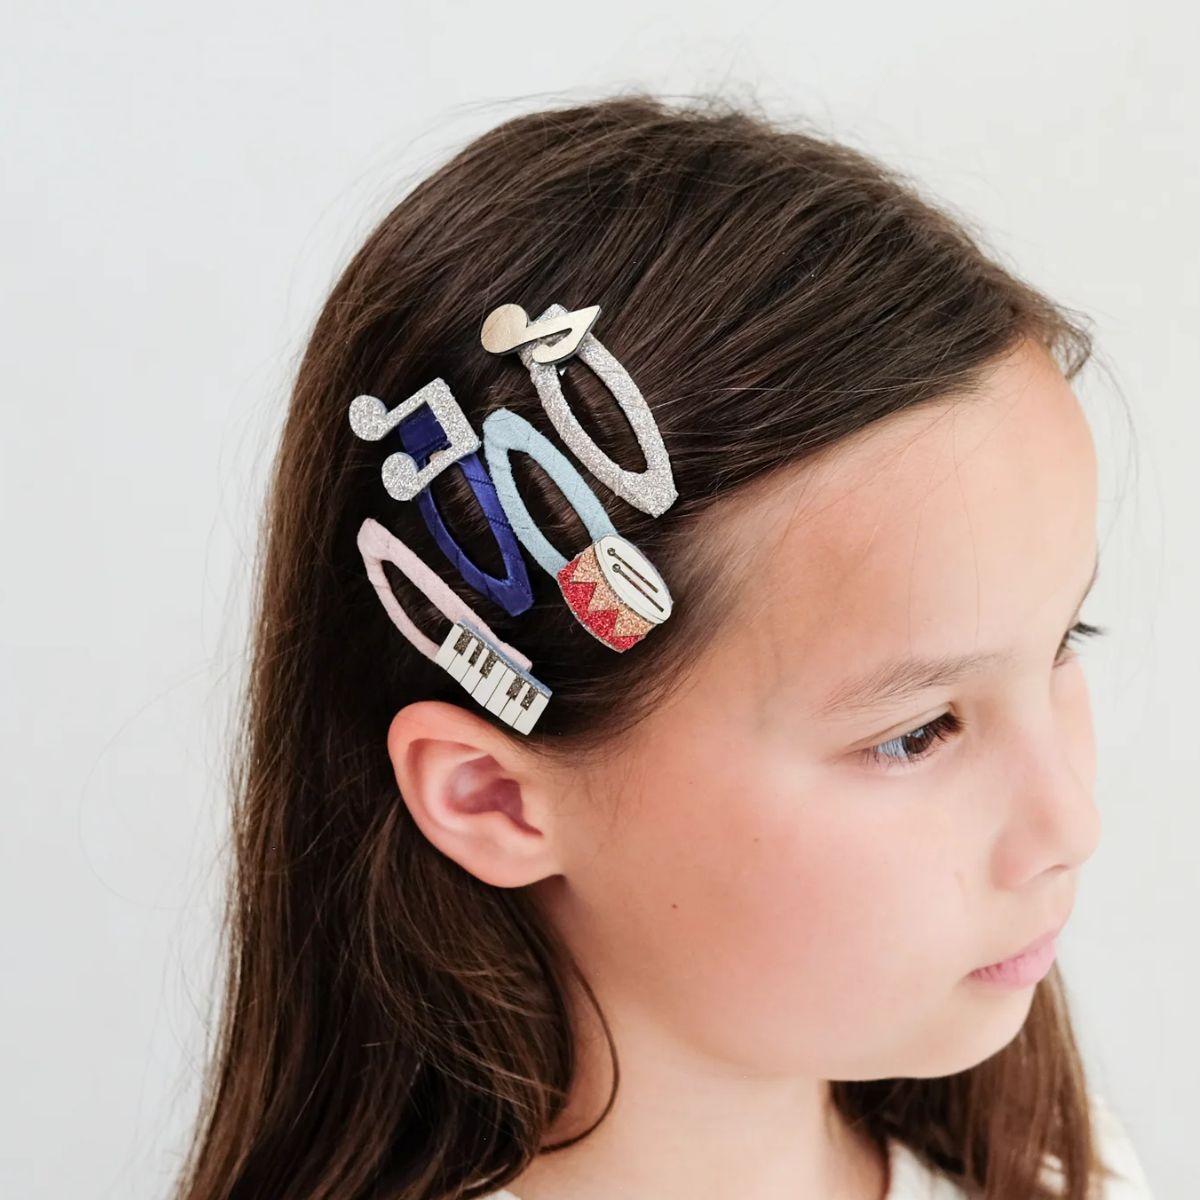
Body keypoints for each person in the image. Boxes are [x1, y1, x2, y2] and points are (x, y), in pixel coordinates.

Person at [174, 93, 1155, 1199]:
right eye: (917, 733)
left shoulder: (1071, 1176)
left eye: (1063, 640)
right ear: (494, 797)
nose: (1071, 824)